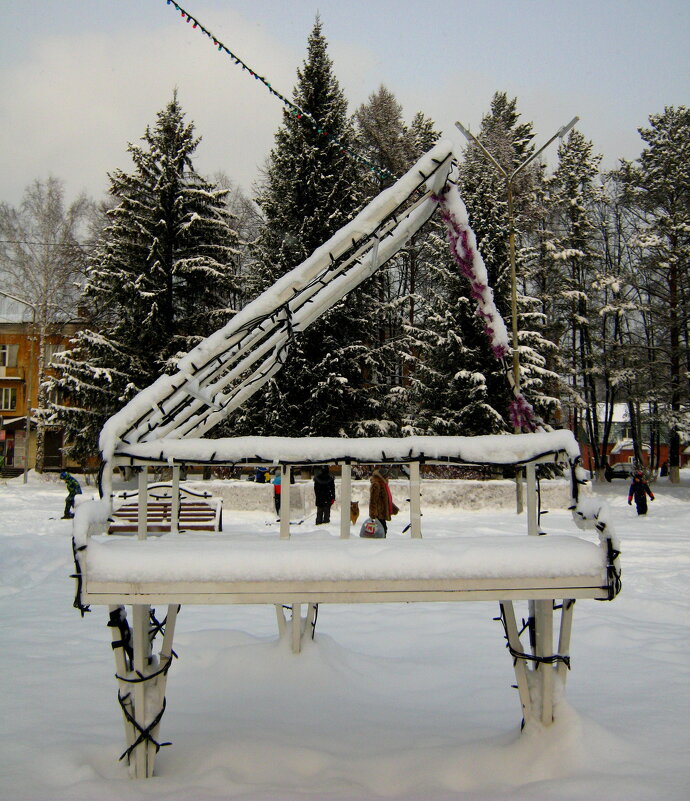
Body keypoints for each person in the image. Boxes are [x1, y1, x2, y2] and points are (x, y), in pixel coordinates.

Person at [368, 467, 399, 536]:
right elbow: (373, 500)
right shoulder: (377, 485)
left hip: (382, 513)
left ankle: (382, 543)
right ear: (382, 476)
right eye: (387, 476)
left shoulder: (383, 484)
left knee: (383, 530)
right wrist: (373, 513)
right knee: (381, 530)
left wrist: (393, 507)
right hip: (378, 513)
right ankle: (380, 545)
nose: (388, 477)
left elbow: (385, 499)